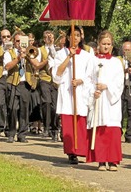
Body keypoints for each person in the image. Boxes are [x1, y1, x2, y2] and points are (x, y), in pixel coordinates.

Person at [53, 26, 95, 165]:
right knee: (68, 123)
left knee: (80, 122)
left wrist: (81, 80)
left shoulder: (87, 55)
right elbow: (57, 74)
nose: (75, 38)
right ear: (68, 37)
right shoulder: (60, 54)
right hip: (67, 92)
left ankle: (80, 149)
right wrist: (69, 57)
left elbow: (90, 76)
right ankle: (71, 152)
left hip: (80, 92)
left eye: (77, 35)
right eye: (72, 35)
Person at [88, 30, 124, 171]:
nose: (106, 46)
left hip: (110, 100)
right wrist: (93, 91)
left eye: (108, 44)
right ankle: (101, 160)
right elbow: (88, 79)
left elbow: (119, 82)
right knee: (100, 128)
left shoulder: (116, 62)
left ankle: (113, 160)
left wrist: (107, 86)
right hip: (99, 99)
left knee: (112, 130)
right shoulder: (93, 61)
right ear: (98, 44)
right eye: (103, 44)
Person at [3, 31, 34, 143]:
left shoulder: (30, 52)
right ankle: (11, 133)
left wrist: (28, 57)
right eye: (17, 41)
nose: (19, 43)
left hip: (25, 83)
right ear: (14, 41)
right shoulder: (8, 52)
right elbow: (7, 66)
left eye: (21, 41)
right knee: (12, 108)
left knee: (24, 110)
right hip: (13, 83)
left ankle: (22, 134)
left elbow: (36, 64)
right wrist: (18, 58)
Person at [38, 31, 59, 141]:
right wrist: (45, 61)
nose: (48, 39)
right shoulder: (40, 50)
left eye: (50, 37)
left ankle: (54, 129)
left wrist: (52, 47)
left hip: (55, 80)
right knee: (46, 102)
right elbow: (37, 64)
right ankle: (46, 127)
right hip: (44, 79)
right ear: (43, 39)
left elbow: (57, 60)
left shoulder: (57, 49)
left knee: (55, 106)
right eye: (46, 37)